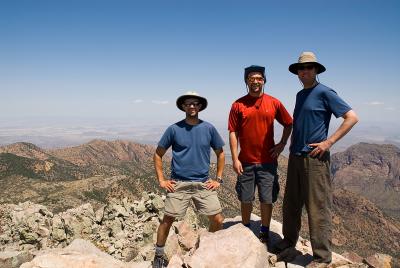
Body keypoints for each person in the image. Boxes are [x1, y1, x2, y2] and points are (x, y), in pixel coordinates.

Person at [277, 52, 359, 267]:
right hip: (295, 156)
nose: (305, 71)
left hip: (315, 159)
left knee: (317, 208)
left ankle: (322, 258)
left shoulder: (325, 92)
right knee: (291, 204)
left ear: (316, 71)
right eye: (301, 69)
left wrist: (328, 142)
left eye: (309, 68)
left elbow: (352, 117)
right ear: (297, 73)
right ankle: (288, 242)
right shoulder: (300, 95)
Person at [152, 91, 225, 268]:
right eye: (188, 103)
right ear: (183, 107)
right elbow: (158, 154)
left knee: (218, 220)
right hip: (179, 183)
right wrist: (162, 180)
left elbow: (220, 153)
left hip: (203, 183)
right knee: (167, 220)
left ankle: (208, 248)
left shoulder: (208, 128)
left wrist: (218, 179)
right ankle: (159, 255)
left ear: (200, 106)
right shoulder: (174, 129)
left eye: (195, 103)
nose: (192, 106)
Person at [228, 65, 293, 245]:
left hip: (267, 162)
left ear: (264, 81)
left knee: (267, 198)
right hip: (246, 162)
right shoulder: (238, 105)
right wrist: (234, 159)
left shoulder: (274, 103)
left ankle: (264, 232)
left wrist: (282, 144)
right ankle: (246, 229)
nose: (256, 81)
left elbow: (288, 123)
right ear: (246, 81)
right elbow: (232, 132)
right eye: (251, 78)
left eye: (259, 78)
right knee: (245, 198)